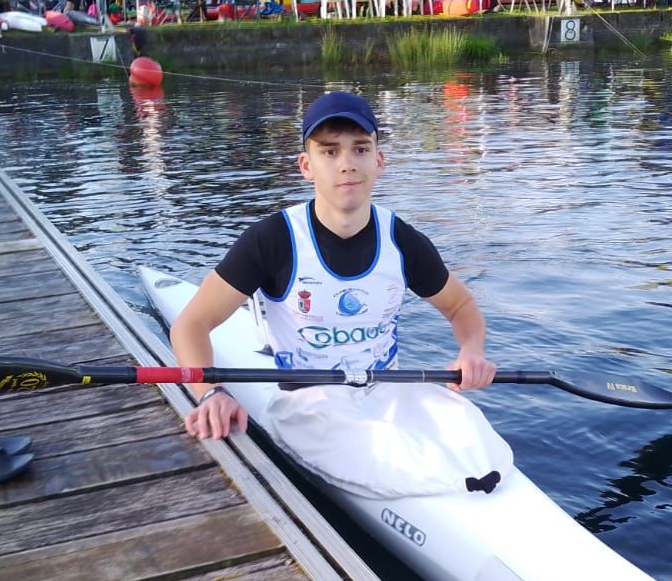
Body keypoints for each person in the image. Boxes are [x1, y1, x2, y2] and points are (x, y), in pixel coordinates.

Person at [170, 90, 496, 444]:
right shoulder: (272, 239)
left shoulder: (402, 241)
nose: (347, 163)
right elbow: (192, 323)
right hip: (306, 405)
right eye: (329, 151)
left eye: (360, 149)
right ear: (306, 166)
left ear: (379, 161)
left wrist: (471, 352)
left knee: (478, 439)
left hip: (388, 393)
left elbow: (461, 307)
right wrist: (209, 392)